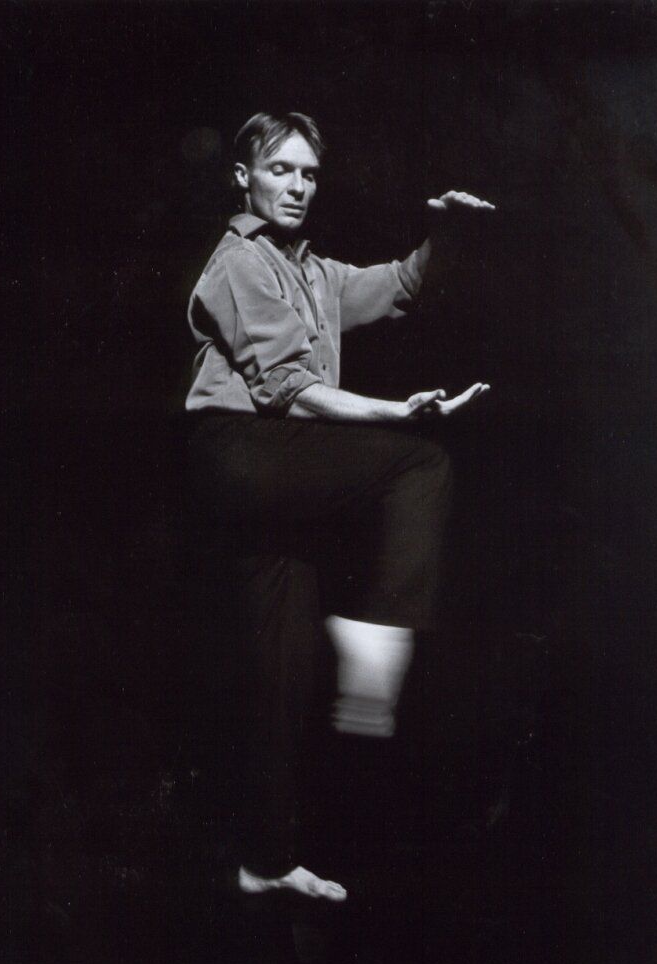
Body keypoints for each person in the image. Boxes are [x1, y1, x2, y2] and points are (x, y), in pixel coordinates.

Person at [185, 112, 493, 902]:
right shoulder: (238, 262)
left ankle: (265, 860)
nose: (297, 187)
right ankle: (378, 638)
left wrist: (443, 234)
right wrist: (396, 411)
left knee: (281, 666)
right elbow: (288, 391)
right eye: (279, 170)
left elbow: (401, 286)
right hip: (240, 453)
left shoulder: (314, 273)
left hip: (270, 478)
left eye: (308, 173)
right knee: (420, 461)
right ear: (243, 178)